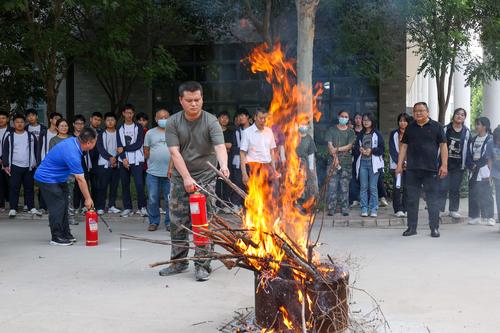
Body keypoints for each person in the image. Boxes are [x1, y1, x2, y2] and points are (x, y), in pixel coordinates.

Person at [161, 81, 229, 281]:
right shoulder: (173, 122)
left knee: (203, 223)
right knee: (177, 221)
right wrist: (187, 178)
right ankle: (179, 262)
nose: (194, 104)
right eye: (189, 100)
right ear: (181, 100)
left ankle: (203, 264)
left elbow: (219, 147)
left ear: (202, 99)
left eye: (197, 100)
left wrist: (223, 166)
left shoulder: (211, 121)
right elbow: (174, 152)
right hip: (181, 178)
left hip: (206, 177)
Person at [34, 128, 96, 246]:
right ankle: (56, 237)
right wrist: (88, 199)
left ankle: (65, 233)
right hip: (47, 178)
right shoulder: (72, 152)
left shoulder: (74, 142)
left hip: (60, 178)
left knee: (64, 204)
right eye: (95, 141)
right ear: (89, 143)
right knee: (58, 206)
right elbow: (80, 179)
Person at [396, 102, 448, 237]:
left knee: (432, 200)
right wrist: (399, 165)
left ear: (427, 112)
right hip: (413, 169)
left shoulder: (437, 126)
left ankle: (434, 228)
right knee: (412, 200)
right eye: (415, 111)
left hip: (431, 170)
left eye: (421, 110)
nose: (418, 113)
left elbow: (443, 146)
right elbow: (404, 147)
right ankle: (411, 228)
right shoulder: (410, 127)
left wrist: (444, 165)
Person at [2, 113, 40, 217]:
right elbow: (5, 151)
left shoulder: (30, 135)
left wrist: (36, 163)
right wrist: (6, 164)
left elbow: (36, 150)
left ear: (25, 123)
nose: (19, 124)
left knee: (29, 188)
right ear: (13, 124)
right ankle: (13, 208)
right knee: (14, 188)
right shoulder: (10, 136)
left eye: (22, 122)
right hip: (14, 166)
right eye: (17, 122)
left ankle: (31, 207)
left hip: (28, 166)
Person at [438, 108, 471, 218]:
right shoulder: (445, 129)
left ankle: (453, 210)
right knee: (442, 187)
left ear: (464, 118)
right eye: (457, 114)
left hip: (458, 165)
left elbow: (469, 150)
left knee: (455, 188)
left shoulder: (466, 132)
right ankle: (440, 209)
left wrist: (468, 164)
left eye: (462, 115)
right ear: (454, 115)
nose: (459, 116)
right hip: (445, 164)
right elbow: (439, 145)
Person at [117, 104, 147, 217]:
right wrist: (124, 158)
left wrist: (124, 148)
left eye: (131, 113)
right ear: (123, 113)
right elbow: (119, 144)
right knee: (125, 184)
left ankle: (142, 207)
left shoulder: (138, 127)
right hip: (123, 160)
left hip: (137, 160)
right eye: (126, 112)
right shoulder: (120, 128)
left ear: (133, 114)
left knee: (139, 184)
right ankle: (128, 207)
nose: (129, 115)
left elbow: (138, 144)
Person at [353, 113, 385, 218]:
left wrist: (371, 151)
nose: (366, 122)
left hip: (373, 164)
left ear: (372, 121)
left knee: (373, 187)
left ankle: (374, 209)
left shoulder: (377, 134)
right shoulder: (360, 134)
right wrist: (360, 149)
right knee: (363, 187)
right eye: (364, 120)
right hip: (362, 163)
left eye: (368, 120)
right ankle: (364, 209)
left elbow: (381, 149)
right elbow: (356, 147)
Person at [144, 109, 171, 231]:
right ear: (155, 119)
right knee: (153, 198)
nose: (163, 119)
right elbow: (146, 150)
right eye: (161, 117)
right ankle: (153, 222)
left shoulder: (173, 132)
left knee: (169, 199)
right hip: (153, 173)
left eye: (166, 117)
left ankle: (170, 222)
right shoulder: (150, 133)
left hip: (170, 173)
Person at [326, 111, 356, 216]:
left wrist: (336, 150)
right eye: (342, 116)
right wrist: (335, 158)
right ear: (338, 117)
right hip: (332, 163)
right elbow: (329, 145)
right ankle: (331, 208)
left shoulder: (351, 132)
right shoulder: (331, 130)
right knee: (332, 186)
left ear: (348, 119)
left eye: (346, 117)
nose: (344, 118)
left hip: (346, 163)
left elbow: (349, 146)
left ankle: (344, 208)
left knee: (344, 186)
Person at [467, 117, 494, 226]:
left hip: (485, 170)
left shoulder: (490, 139)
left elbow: (490, 156)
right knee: (473, 193)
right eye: (476, 124)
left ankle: (489, 217)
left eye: (478, 124)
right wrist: (471, 164)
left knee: (486, 193)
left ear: (485, 126)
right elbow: (468, 154)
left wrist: (479, 165)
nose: (476, 126)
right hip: (473, 170)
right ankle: (474, 216)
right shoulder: (473, 139)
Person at [240, 107, 278, 186]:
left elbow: (271, 151)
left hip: (268, 167)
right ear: (255, 117)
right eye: (261, 118)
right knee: (256, 196)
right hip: (254, 168)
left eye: (265, 118)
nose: (263, 121)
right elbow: (242, 153)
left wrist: (274, 170)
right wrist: (244, 173)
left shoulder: (269, 131)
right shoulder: (247, 132)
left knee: (270, 195)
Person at [95, 113, 121, 215]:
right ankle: (100, 206)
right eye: (108, 120)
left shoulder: (119, 133)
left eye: (112, 120)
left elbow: (122, 148)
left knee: (114, 186)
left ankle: (112, 205)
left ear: (115, 122)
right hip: (104, 163)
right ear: (105, 122)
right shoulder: (101, 134)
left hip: (116, 163)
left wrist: (116, 159)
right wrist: (110, 158)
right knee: (103, 186)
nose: (110, 122)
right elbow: (100, 149)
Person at [389, 113, 412, 217]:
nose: (402, 123)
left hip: (409, 165)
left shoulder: (412, 133)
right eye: (400, 121)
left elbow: (414, 150)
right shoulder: (394, 134)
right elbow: (392, 150)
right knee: (397, 187)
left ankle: (405, 208)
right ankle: (398, 209)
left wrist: (407, 163)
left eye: (405, 121)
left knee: (407, 187)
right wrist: (400, 163)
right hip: (396, 165)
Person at [229, 108, 251, 208]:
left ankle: (250, 205)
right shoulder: (237, 131)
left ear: (248, 117)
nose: (240, 118)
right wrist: (243, 149)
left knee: (252, 185)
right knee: (238, 183)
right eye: (239, 116)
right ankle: (236, 205)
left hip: (252, 162)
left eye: (243, 115)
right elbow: (233, 148)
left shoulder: (254, 130)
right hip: (238, 162)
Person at [215, 111, 235, 212]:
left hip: (227, 161)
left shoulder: (230, 132)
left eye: (226, 118)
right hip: (215, 161)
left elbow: (230, 146)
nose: (224, 120)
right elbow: (214, 146)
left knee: (227, 182)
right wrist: (223, 146)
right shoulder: (214, 131)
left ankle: (227, 204)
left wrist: (219, 145)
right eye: (222, 117)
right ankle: (218, 205)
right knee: (217, 183)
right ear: (218, 118)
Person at [296, 118, 318, 205]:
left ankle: (309, 204)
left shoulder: (309, 139)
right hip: (294, 165)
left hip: (306, 164)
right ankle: (297, 204)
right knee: (297, 185)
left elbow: (311, 153)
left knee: (308, 184)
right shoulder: (293, 137)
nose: (303, 126)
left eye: (305, 124)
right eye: (301, 124)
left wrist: (311, 168)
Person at [487, 126, 500, 228]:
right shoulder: (490, 143)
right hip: (497, 173)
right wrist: (490, 174)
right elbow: (490, 159)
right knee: (499, 199)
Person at [349, 113, 363, 207]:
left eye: (359, 118)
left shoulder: (366, 131)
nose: (358, 120)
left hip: (364, 158)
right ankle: (354, 199)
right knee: (354, 179)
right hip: (354, 158)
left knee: (364, 179)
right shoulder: (351, 131)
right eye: (356, 118)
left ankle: (363, 199)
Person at [0, 111, 10, 212]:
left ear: (7, 119)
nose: (1, 120)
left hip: (8, 161)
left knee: (10, 183)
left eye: (3, 118)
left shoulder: (11, 131)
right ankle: (1, 205)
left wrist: (3, 158)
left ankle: (12, 204)